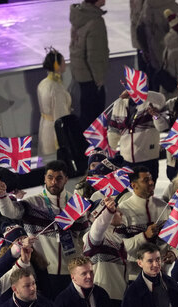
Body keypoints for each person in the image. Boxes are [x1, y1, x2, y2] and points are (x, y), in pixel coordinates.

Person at [0, 160, 81, 295]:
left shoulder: (76, 204)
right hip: (45, 271)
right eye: (50, 177)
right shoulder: (33, 203)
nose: (54, 182)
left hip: (73, 270)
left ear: (66, 179)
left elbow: (84, 235)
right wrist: (2, 196)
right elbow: (10, 211)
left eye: (59, 178)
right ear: (44, 178)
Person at [107, 79, 167, 180]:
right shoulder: (120, 103)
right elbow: (114, 129)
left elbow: (161, 99)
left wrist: (142, 94)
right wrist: (111, 148)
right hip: (126, 159)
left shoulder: (152, 101)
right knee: (129, 188)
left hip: (148, 158)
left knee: (148, 188)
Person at [69, 0, 110, 128]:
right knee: (94, 118)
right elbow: (94, 56)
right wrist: (99, 80)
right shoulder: (95, 22)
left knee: (86, 114)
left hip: (81, 74)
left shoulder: (80, 16)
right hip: (91, 78)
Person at [37, 48, 72, 156]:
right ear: (57, 65)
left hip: (45, 127)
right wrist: (62, 136)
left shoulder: (43, 83)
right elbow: (60, 114)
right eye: (63, 61)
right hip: (54, 132)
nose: (65, 64)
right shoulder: (55, 88)